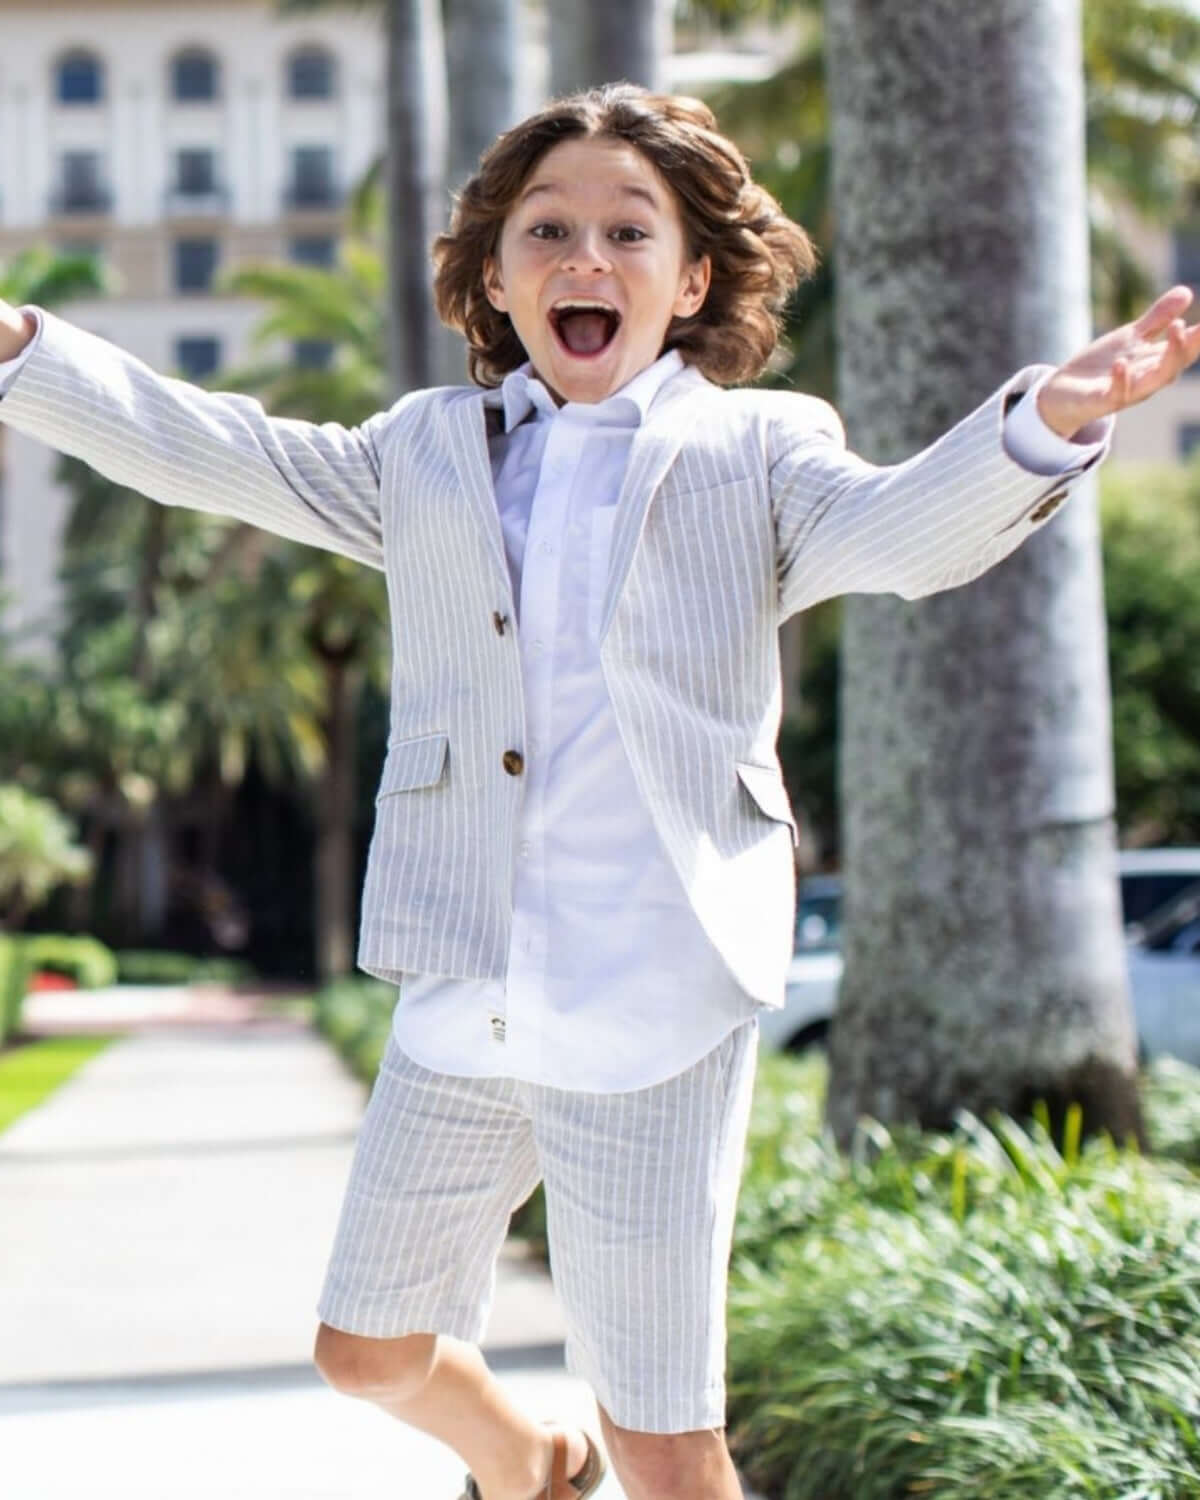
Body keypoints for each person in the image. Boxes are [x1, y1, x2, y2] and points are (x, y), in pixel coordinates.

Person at [1, 82, 1197, 1500]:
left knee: (668, 1444)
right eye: (546, 229)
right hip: (472, 983)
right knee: (367, 1349)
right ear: (495, 278)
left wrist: (1044, 422)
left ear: (692, 278)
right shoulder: (424, 454)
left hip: (655, 997)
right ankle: (527, 1462)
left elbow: (899, 535)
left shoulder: (762, 450)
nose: (586, 257)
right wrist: (25, 350)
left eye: (630, 231)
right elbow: (223, 451)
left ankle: (595, 1456)